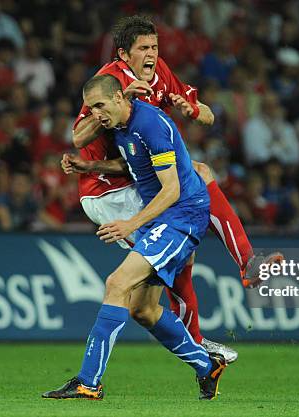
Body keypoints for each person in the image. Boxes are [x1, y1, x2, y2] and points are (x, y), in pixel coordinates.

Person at [65, 15, 281, 362]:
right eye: (143, 49)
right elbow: (78, 137)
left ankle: (243, 270)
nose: (152, 54)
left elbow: (208, 115)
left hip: (139, 184)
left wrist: (192, 109)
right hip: (111, 193)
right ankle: (198, 342)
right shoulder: (110, 82)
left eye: (155, 47)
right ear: (123, 54)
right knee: (196, 180)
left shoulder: (161, 72)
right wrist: (120, 100)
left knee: (147, 304)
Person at [43, 75, 227, 401]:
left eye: (100, 105)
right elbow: (130, 164)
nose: (96, 114)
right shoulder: (123, 126)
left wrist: (130, 224)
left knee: (117, 283)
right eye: (91, 108)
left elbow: (171, 189)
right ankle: (205, 365)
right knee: (143, 309)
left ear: (118, 98)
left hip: (183, 215)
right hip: (165, 218)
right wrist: (89, 166)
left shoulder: (150, 123)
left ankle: (88, 381)